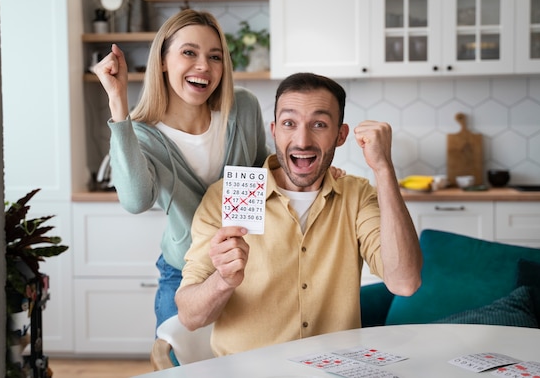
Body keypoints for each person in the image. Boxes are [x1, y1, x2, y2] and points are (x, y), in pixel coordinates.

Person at [175, 72, 423, 356]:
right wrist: (223, 281)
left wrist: (383, 169)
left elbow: (405, 282)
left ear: (341, 135)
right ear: (274, 131)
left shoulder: (357, 195)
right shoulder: (225, 197)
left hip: (334, 371)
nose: (302, 140)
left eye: (319, 124)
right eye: (289, 123)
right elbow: (190, 317)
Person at [92, 9, 270, 328]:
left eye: (215, 57)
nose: (204, 66)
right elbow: (136, 201)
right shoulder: (142, 134)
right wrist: (118, 104)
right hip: (185, 273)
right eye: (189, 52)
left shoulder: (242, 108)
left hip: (248, 266)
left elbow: (263, 175)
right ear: (162, 60)